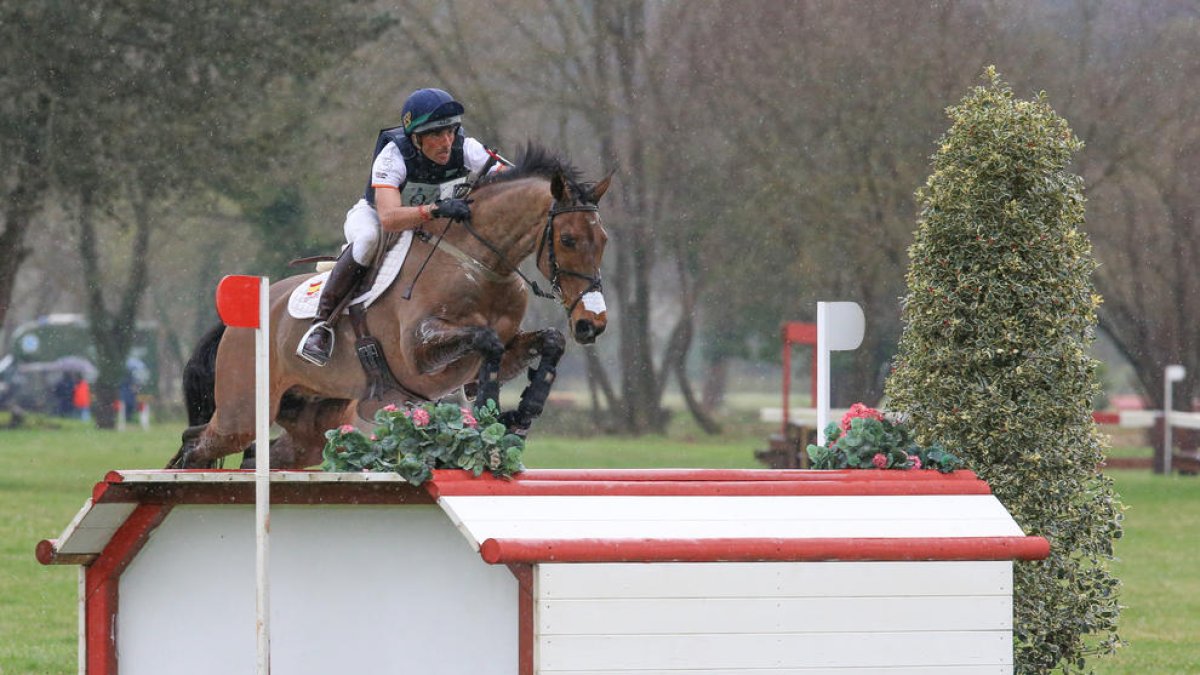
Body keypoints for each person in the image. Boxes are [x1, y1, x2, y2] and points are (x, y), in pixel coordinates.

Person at [297, 88, 510, 366]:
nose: (446, 142)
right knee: (367, 241)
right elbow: (389, 217)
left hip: (432, 226)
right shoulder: (392, 156)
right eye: (436, 134)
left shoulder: (465, 146)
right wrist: (436, 209)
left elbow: (513, 177)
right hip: (378, 218)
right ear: (416, 138)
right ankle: (321, 326)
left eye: (450, 131)